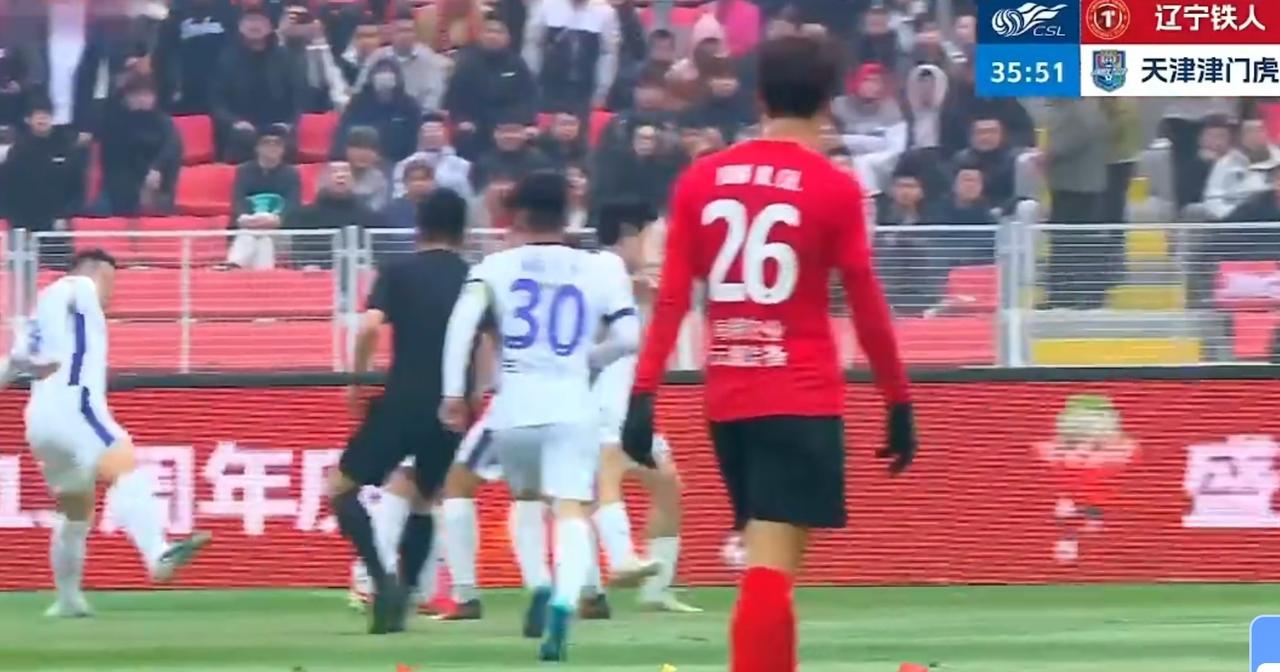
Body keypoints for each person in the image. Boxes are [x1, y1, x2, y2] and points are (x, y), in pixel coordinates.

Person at [619, 36, 917, 672]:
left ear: (758, 97)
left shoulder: (701, 179)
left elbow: (672, 299)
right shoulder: (834, 187)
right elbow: (865, 302)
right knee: (771, 570)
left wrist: (643, 392)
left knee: (770, 563)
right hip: (800, 396)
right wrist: (897, 400)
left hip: (729, 400)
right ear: (829, 101)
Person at [439, 171, 640, 661]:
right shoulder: (602, 268)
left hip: (514, 407)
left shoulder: (495, 266)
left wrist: (452, 394)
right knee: (570, 507)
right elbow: (629, 338)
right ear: (568, 214)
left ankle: (538, 582)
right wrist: (590, 360)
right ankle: (565, 601)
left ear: (519, 214)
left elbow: (461, 325)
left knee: (526, 499)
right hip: (571, 403)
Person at [2, 250, 211, 617]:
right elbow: (65, 302)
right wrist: (51, 356)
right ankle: (156, 552)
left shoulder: (38, 316)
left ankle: (68, 599)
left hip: (40, 422)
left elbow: (13, 362)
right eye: (112, 281)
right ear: (98, 273)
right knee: (121, 460)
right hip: (74, 406)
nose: (113, 294)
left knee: (75, 510)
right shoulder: (74, 286)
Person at [330, 187, 471, 634]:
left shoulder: (398, 271)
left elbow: (370, 327)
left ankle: (380, 578)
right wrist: (472, 396)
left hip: (402, 398)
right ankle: (406, 595)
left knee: (340, 487)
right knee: (424, 501)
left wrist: (357, 380)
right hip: (450, 405)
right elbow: (488, 343)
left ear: (419, 227)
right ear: (463, 231)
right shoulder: (474, 277)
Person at [589, 200, 699, 613]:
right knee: (603, 482)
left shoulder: (626, 277)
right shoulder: (603, 268)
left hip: (627, 400)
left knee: (667, 486)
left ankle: (653, 591)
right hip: (605, 400)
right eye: (652, 238)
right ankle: (610, 570)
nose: (657, 248)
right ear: (628, 234)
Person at [210, 7, 303, 162]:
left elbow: (299, 98)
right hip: (241, 131)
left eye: (260, 20)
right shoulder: (227, 59)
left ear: (271, 27)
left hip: (278, 129)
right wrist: (234, 122)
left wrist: (288, 124)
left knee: (283, 147)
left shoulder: (285, 58)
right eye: (249, 20)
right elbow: (217, 102)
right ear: (239, 27)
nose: (254, 25)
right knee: (240, 143)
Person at [98, 75, 182, 216]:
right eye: (136, 95)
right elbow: (114, 163)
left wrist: (156, 168)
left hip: (157, 183)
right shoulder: (115, 124)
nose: (142, 99)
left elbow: (172, 146)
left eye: (146, 95)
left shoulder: (163, 122)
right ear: (126, 98)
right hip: (121, 187)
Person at [226, 124, 301, 269]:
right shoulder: (244, 171)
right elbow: (238, 201)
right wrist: (245, 218)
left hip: (279, 231)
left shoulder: (291, 174)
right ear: (258, 148)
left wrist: (277, 220)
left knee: (263, 238)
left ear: (283, 149)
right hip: (248, 228)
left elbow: (293, 205)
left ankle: (233, 265)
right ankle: (263, 275)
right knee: (257, 238)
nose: (272, 147)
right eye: (267, 143)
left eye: (277, 144)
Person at [355, 11, 449, 113]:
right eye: (400, 31)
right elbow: (359, 93)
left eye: (409, 31)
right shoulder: (376, 58)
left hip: (419, 117)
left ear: (415, 33)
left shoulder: (428, 59)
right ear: (391, 33)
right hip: (381, 116)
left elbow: (435, 96)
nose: (405, 35)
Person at [334, 59, 421, 164]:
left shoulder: (409, 104)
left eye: (389, 72)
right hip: (360, 160)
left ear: (397, 78)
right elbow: (344, 132)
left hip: (397, 161)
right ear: (371, 78)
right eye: (380, 72)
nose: (384, 76)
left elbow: (414, 139)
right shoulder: (358, 102)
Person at [392, 113, 473, 199]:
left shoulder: (462, 165)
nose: (432, 135)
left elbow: (466, 195)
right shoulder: (404, 165)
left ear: (445, 134)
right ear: (420, 135)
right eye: (428, 131)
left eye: (436, 131)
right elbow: (398, 195)